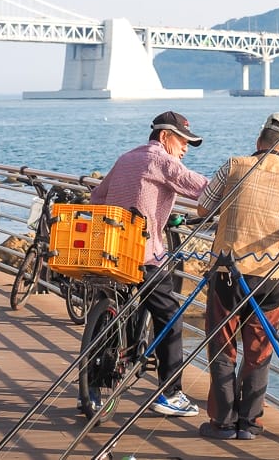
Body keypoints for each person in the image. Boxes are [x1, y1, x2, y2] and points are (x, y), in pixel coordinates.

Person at [89, 110, 208, 417]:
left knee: (122, 306)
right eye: (182, 141)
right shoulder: (161, 160)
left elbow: (96, 198)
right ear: (165, 136)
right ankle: (170, 393)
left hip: (111, 251)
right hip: (144, 254)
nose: (184, 149)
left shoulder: (126, 158)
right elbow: (202, 188)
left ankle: (89, 388)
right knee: (170, 317)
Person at [195, 112, 279, 440]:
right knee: (260, 351)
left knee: (222, 348)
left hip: (228, 275)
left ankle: (223, 423)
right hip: (271, 278)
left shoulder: (233, 165)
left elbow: (203, 207)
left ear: (259, 141)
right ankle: (251, 424)